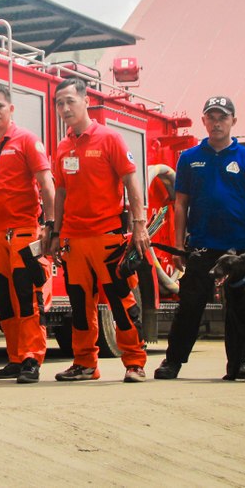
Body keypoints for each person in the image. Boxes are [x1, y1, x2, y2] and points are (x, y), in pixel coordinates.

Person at [154, 95, 245, 381]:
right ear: (203, 120)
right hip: (201, 246)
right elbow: (180, 204)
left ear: (233, 121)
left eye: (223, 117)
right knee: (189, 305)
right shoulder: (190, 158)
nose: (217, 123)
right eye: (211, 117)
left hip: (237, 251)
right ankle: (173, 362)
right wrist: (178, 245)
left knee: (238, 309)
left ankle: (238, 364)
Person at [48, 78, 152, 383]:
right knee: (79, 307)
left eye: (69, 101)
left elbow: (132, 182)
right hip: (73, 242)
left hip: (108, 239)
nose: (64, 108)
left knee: (122, 304)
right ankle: (84, 364)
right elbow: (61, 194)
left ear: (85, 101)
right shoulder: (63, 148)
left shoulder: (110, 139)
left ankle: (134, 362)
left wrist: (139, 224)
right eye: (59, 103)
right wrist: (55, 234)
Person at [0, 85, 55, 384]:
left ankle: (32, 357)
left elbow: (47, 182)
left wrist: (52, 225)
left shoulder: (27, 141)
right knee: (4, 299)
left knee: (27, 296)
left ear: (11, 109)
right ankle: (16, 357)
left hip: (23, 232)